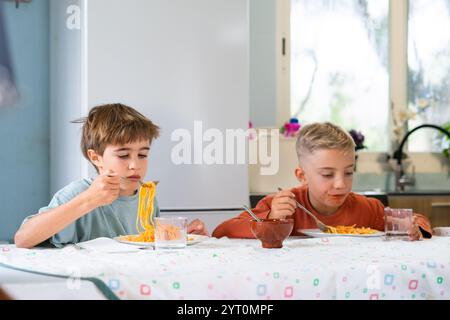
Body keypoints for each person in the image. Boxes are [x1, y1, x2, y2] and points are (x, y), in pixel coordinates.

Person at [15, 103, 208, 248]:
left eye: (142, 154)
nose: (135, 165)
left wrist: (179, 235)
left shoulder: (146, 197)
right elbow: (23, 239)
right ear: (96, 157)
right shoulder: (80, 193)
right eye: (123, 155)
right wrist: (88, 201)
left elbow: (149, 246)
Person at [213, 122, 432, 240]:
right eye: (327, 174)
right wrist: (269, 219)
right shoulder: (281, 206)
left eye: (348, 172)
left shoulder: (367, 208)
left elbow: (419, 220)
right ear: (302, 176)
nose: (340, 184)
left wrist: (414, 228)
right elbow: (222, 231)